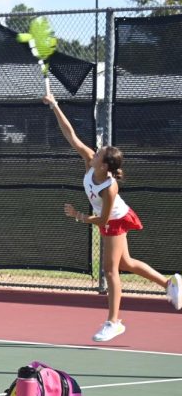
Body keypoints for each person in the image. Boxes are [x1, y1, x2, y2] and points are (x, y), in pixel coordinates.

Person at [44, 93, 181, 342]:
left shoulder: (109, 187)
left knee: (110, 271)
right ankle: (169, 284)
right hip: (106, 218)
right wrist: (55, 105)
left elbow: (104, 220)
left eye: (99, 154)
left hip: (114, 220)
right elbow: (70, 135)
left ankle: (114, 322)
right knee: (125, 263)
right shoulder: (89, 162)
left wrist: (79, 216)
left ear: (105, 166)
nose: (94, 153)